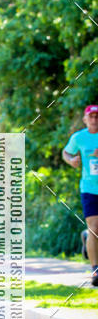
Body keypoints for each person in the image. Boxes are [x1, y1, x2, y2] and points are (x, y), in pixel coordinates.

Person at [63, 103, 98, 286]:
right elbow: (66, 152)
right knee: (95, 228)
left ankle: (86, 236)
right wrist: (71, 160)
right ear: (85, 119)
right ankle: (96, 270)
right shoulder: (79, 138)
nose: (94, 119)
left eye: (97, 116)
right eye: (91, 116)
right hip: (89, 188)